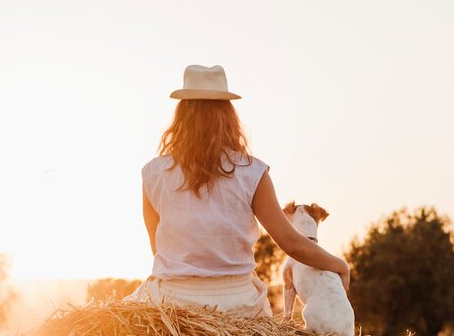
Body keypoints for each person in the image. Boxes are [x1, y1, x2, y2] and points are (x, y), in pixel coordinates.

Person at [126, 64, 350, 318]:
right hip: (237, 303)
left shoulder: (152, 173)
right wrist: (339, 264)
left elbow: (159, 249)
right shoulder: (252, 172)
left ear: (180, 118)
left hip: (173, 300)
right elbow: (291, 243)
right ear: (228, 117)